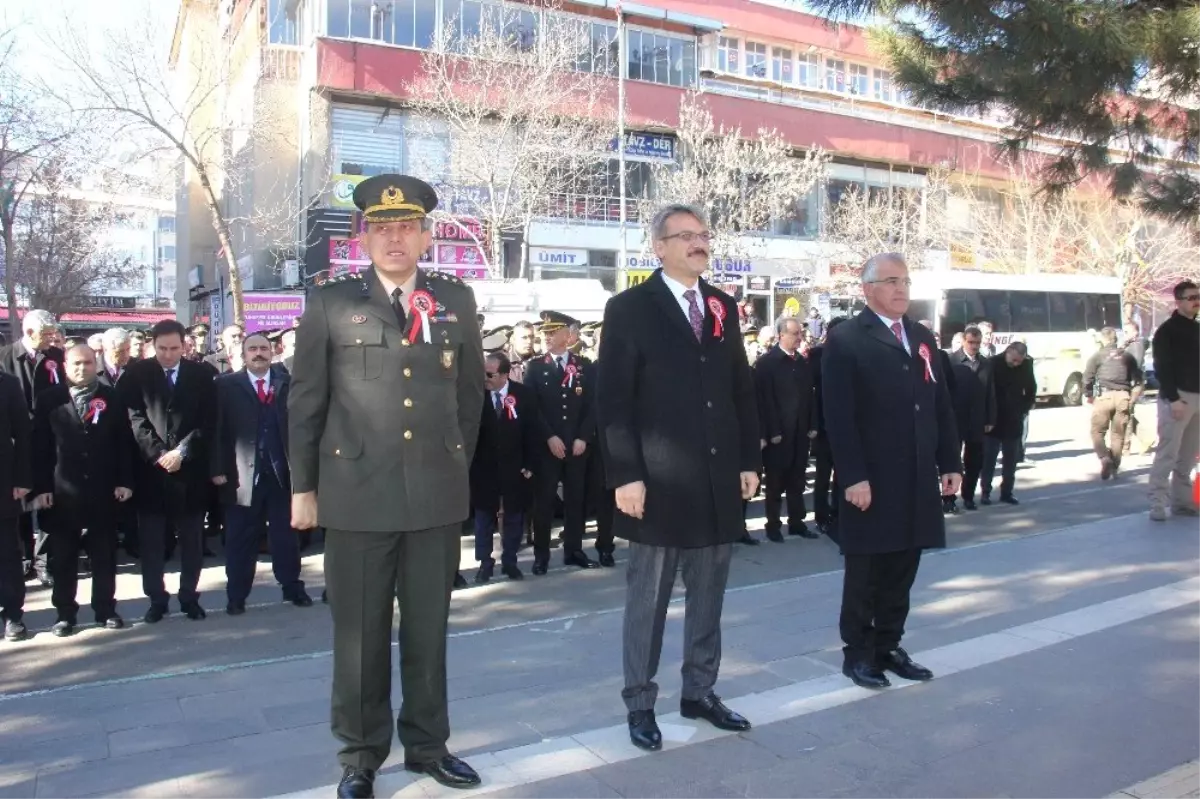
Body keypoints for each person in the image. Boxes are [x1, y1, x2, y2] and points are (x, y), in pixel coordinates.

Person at [288, 174, 484, 796]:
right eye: (382, 227)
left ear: (427, 236)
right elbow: (306, 402)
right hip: (356, 493)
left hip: (434, 492)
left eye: (407, 227)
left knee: (429, 630)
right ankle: (361, 756)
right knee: (361, 637)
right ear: (364, 237)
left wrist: (454, 463)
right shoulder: (330, 303)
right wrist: (303, 487)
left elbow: (470, 397)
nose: (395, 237)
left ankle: (428, 746)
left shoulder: (457, 300)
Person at [597, 204, 760, 753]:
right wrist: (626, 474)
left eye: (703, 235)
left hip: (715, 480)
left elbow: (740, 389)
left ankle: (700, 691)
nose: (698, 243)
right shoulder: (629, 308)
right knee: (649, 602)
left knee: (709, 597)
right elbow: (613, 399)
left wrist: (747, 461)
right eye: (685, 236)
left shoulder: (722, 306)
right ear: (659, 247)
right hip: (657, 483)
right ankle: (640, 703)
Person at [822, 252, 961, 690]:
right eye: (891, 280)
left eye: (906, 280)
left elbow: (940, 402)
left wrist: (950, 461)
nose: (902, 288)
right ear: (867, 289)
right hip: (872, 478)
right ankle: (859, 653)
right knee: (867, 571)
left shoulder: (920, 336)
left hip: (917, 475)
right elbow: (838, 416)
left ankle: (889, 645)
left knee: (904, 566)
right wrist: (853, 476)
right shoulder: (846, 339)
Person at [32, 345, 134, 636]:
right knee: (63, 558)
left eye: (88, 363)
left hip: (103, 490)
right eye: (76, 363)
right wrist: (40, 488)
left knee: (104, 554)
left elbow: (123, 444)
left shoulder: (111, 397)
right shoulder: (49, 399)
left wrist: (125, 481)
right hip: (62, 491)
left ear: (96, 364)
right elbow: (40, 448)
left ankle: (105, 609)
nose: (82, 368)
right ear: (65, 365)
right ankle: (65, 614)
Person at [121, 319, 217, 623]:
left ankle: (189, 596)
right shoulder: (136, 374)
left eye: (174, 348)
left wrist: (182, 452)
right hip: (151, 474)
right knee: (151, 544)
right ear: (152, 345)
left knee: (192, 542)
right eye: (162, 348)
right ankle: (156, 600)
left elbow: (210, 421)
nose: (168, 354)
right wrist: (159, 454)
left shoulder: (203, 374)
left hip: (190, 474)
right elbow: (134, 418)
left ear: (184, 344)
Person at [211, 334, 311, 614]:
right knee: (240, 540)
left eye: (263, 349)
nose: (258, 354)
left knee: (286, 538)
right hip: (241, 477)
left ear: (273, 352)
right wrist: (217, 469)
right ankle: (237, 596)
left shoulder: (286, 384)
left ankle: (292, 587)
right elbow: (216, 430)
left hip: (281, 474)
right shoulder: (226, 385)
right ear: (242, 354)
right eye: (252, 349)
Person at [523, 310, 598, 574]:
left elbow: (592, 406)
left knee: (576, 500)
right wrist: (549, 436)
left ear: (568, 336)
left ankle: (574, 550)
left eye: (553, 332)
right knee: (543, 503)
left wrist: (582, 438)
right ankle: (541, 555)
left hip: (576, 446)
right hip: (548, 447)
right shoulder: (535, 366)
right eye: (545, 332)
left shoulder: (583, 365)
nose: (547, 336)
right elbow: (532, 408)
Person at [0, 309, 65, 587]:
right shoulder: (5, 357)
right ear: (29, 333)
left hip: (49, 438)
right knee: (21, 503)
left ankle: (44, 562)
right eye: (47, 335)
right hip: (18, 444)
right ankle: (25, 559)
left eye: (54, 334)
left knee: (49, 501)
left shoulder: (56, 358)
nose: (52, 340)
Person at [470, 353, 538, 583]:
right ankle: (485, 564)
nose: (485, 379)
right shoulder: (476, 396)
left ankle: (510, 562)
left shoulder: (523, 395)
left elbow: (532, 432)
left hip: (515, 468)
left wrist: (529, 465)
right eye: (484, 373)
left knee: (514, 518)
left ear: (505, 374)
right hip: (483, 469)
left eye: (490, 375)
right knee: (483, 518)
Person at [754, 317, 818, 541]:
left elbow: (811, 397)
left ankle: (797, 522)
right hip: (777, 435)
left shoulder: (802, 362)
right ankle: (773, 525)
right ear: (781, 335)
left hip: (800, 433)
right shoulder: (767, 364)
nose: (798, 337)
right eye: (794, 333)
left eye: (799, 333)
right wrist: (770, 432)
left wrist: (812, 424)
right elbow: (761, 401)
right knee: (774, 484)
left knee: (797, 481)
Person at [1148, 280, 1200, 521]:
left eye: (1198, 297)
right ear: (1178, 301)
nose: (1196, 301)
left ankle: (1182, 502)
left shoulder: (1197, 328)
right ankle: (1157, 503)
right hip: (1177, 397)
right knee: (1167, 452)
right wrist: (1173, 398)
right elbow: (1162, 367)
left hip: (1197, 398)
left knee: (1188, 456)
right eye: (1191, 297)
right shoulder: (1167, 331)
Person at [1083, 327, 1143, 480]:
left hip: (1104, 396)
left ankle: (1104, 458)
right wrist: (1133, 397)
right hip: (1123, 396)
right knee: (1118, 434)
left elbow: (1087, 378)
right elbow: (1138, 379)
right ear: (1116, 339)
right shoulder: (1128, 357)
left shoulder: (1097, 356)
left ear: (1102, 339)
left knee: (1097, 432)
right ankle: (1115, 466)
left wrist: (1089, 395)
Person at [981, 342, 1035, 506]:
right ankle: (985, 492)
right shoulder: (992, 363)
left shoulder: (1026, 365)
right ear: (1008, 351)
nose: (1016, 363)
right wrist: (986, 417)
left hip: (1014, 418)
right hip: (994, 419)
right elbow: (985, 390)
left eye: (1019, 361)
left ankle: (1007, 492)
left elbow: (1031, 388)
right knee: (989, 459)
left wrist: (1024, 408)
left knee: (1011, 460)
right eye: (1014, 360)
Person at [948, 326, 996, 510]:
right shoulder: (952, 361)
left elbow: (991, 393)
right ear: (963, 341)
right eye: (971, 342)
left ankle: (968, 496)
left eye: (977, 343)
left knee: (974, 462)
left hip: (977, 420)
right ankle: (949, 498)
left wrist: (990, 419)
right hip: (955, 419)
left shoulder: (985, 364)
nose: (974, 346)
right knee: (952, 461)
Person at [0, 371, 31, 641]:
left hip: (3, 482)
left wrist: (22, 479)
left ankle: (13, 615)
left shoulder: (8, 384)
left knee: (7, 554)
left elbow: (23, 433)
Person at [809, 316, 846, 541]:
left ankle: (839, 512)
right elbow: (810, 393)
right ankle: (821, 515)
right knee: (823, 475)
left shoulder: (851, 355)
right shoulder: (816, 356)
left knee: (842, 475)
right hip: (823, 426)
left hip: (845, 425)